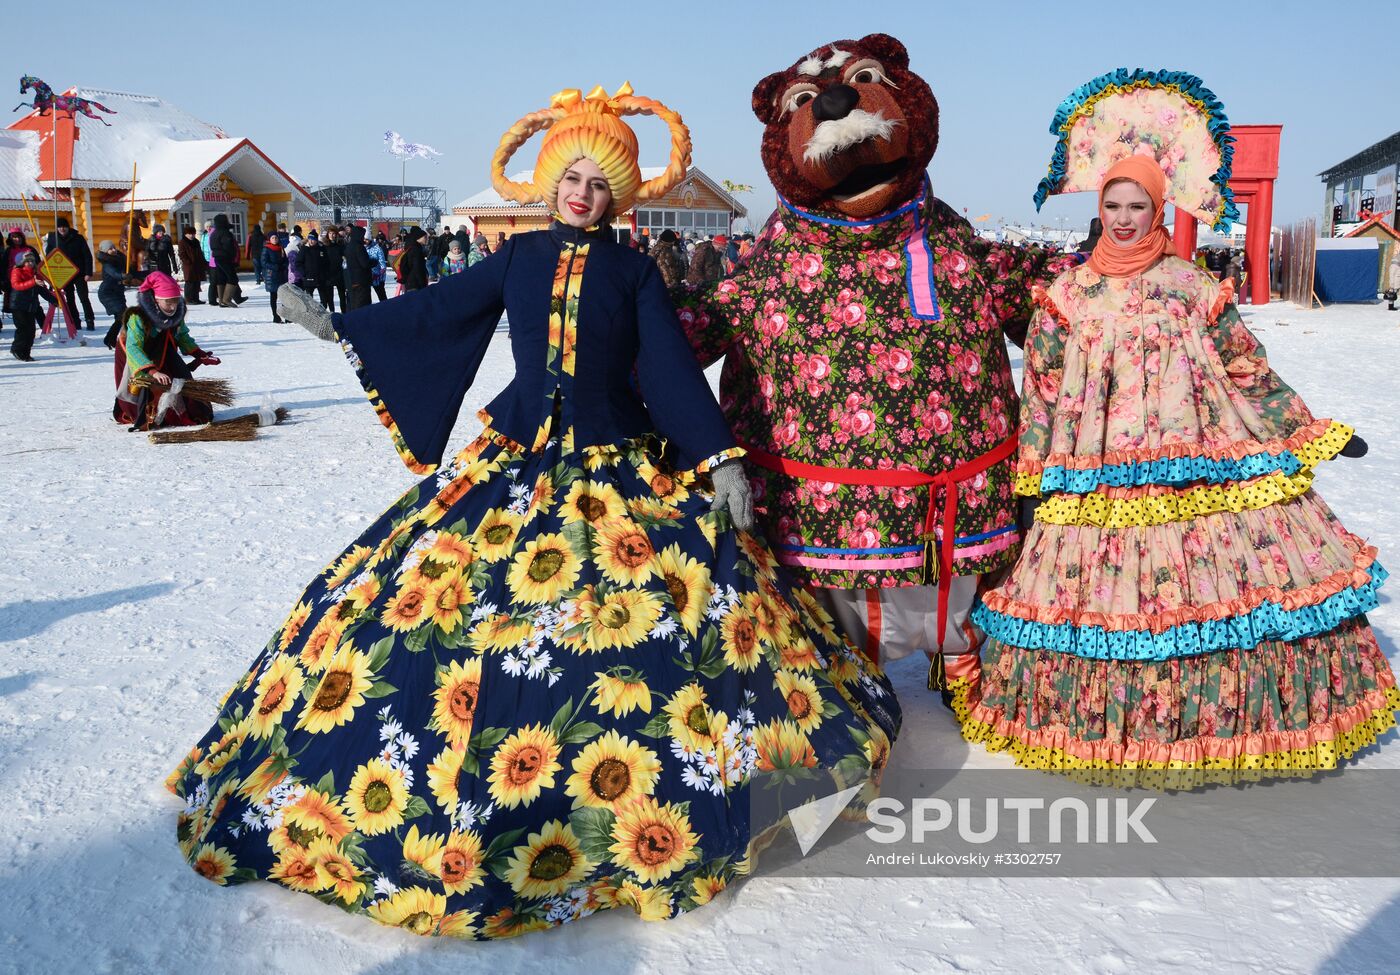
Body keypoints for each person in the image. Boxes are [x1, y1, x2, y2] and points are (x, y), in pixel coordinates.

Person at [170, 84, 899, 940]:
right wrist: (340, 325)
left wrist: (720, 455)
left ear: (617, 195)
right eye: (570, 177)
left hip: (616, 470)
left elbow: (665, 369)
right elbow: (439, 313)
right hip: (512, 466)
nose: (581, 193)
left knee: (644, 636)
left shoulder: (632, 272)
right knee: (438, 620)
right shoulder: (515, 260)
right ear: (548, 184)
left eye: (599, 182)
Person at [961, 145, 1391, 785]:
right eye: (1113, 205)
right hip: (1093, 478)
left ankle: (1219, 727)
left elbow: (1244, 365)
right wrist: (1032, 477)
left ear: (1160, 208)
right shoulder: (1067, 295)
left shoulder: (1192, 285)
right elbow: (1044, 388)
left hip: (1197, 472)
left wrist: (1306, 428)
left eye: (1138, 205)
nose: (1125, 218)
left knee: (1221, 600)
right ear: (1097, 207)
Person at [111, 271, 221, 429]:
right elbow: (134, 347)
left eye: (175, 301)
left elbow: (182, 336)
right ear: (155, 299)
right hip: (136, 356)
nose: (173, 306)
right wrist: (152, 372)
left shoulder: (176, 314)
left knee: (183, 381)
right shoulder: (138, 317)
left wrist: (199, 354)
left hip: (163, 350)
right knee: (149, 389)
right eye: (168, 302)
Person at [45, 215, 98, 331]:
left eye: (64, 227)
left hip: (79, 273)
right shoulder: (53, 239)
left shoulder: (78, 238)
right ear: (57, 228)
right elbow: (49, 256)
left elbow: (87, 255)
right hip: (65, 273)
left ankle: (90, 320)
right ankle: (75, 321)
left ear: (68, 227)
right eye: (60, 227)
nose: (62, 229)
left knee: (84, 298)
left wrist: (88, 272)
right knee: (70, 299)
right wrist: (52, 274)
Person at [8, 251, 55, 361]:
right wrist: (33, 282)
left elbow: (42, 290)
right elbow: (17, 285)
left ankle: (26, 352)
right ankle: (17, 349)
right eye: (27, 261)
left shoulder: (35, 274)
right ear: (22, 262)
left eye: (32, 261)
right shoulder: (17, 271)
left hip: (31, 306)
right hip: (18, 305)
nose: (30, 263)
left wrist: (54, 300)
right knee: (23, 329)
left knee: (31, 331)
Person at [96, 240, 129, 348]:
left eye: (114, 247)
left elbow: (130, 270)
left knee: (122, 317)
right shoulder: (107, 264)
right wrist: (123, 276)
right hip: (107, 293)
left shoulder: (119, 259)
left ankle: (111, 339)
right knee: (123, 315)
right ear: (105, 251)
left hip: (118, 291)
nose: (114, 250)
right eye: (110, 249)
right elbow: (115, 274)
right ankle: (109, 339)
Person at [209, 214, 245, 307]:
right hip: (225, 258)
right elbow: (228, 246)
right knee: (232, 278)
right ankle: (226, 299)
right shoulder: (225, 233)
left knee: (221, 278)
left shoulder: (214, 233)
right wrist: (232, 256)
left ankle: (221, 300)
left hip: (216, 257)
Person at [342, 225, 373, 312]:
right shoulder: (359, 247)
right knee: (362, 306)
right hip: (361, 281)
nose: (363, 238)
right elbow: (365, 263)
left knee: (353, 304)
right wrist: (374, 262)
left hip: (351, 280)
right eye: (362, 235)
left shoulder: (348, 246)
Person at [262, 230, 289, 322]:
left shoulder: (280, 248)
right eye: (273, 238)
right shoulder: (266, 248)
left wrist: (284, 266)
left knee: (284, 296)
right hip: (272, 276)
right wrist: (275, 267)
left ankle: (286, 315)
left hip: (282, 275)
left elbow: (286, 260)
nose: (274, 239)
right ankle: (275, 316)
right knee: (274, 296)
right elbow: (264, 262)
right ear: (269, 239)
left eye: (276, 238)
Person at [177, 226, 208, 305]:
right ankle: (188, 299)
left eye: (193, 234)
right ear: (186, 234)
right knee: (190, 282)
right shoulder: (182, 242)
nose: (192, 235)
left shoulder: (196, 241)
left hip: (197, 264)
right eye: (190, 234)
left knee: (197, 282)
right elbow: (181, 254)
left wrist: (203, 262)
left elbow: (200, 253)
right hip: (189, 266)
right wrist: (187, 262)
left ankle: (196, 298)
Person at [397, 225, 428, 291]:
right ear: (418, 238)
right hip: (415, 284)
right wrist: (423, 285)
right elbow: (417, 269)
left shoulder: (411, 246)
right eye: (425, 237)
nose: (427, 239)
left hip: (409, 281)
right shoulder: (416, 250)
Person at [301, 230, 326, 306]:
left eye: (313, 239)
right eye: (310, 239)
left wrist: (325, 273)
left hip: (320, 278)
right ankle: (311, 316)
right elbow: (298, 263)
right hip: (309, 278)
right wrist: (304, 273)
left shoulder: (321, 248)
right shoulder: (304, 249)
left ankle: (322, 316)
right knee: (309, 301)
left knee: (324, 300)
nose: (311, 241)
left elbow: (326, 262)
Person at [323, 227, 346, 311]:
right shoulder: (324, 246)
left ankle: (344, 313)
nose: (331, 235)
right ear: (327, 234)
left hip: (339, 273)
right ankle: (332, 313)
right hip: (328, 274)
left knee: (342, 296)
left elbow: (345, 257)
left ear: (336, 235)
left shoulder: (340, 246)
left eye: (333, 234)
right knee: (330, 297)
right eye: (330, 233)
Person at [366, 232, 389, 302]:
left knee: (381, 294)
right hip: (367, 276)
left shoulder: (377, 248)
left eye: (367, 239)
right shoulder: (362, 248)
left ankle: (385, 307)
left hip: (377, 277)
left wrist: (379, 274)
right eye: (364, 239)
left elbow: (382, 264)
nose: (365, 241)